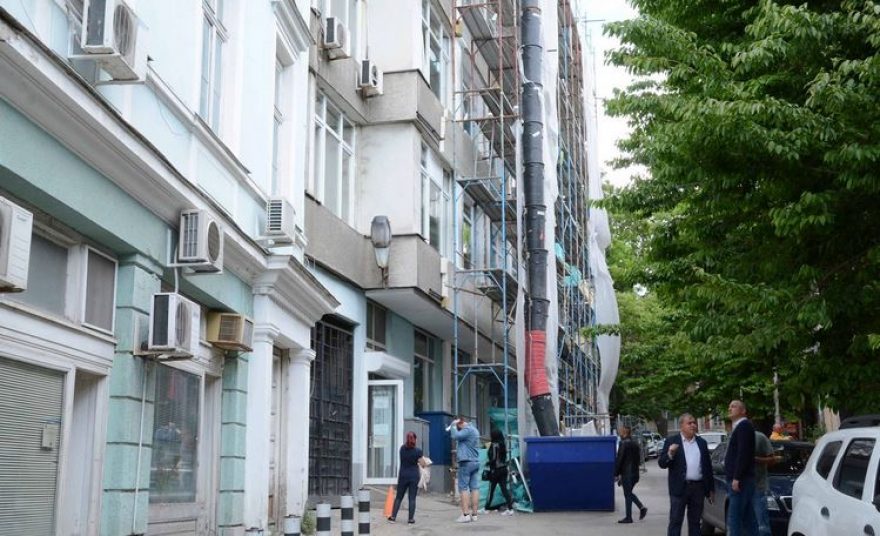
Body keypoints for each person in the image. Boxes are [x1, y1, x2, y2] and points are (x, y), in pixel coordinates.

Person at [658, 413, 714, 536]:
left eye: (694, 423)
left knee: (695, 523)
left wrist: (710, 488)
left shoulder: (701, 443)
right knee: (675, 521)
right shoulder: (672, 441)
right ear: (681, 426)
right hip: (679, 488)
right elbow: (662, 463)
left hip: (698, 488)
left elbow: (707, 467)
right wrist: (670, 454)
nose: (693, 425)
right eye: (689, 423)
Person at [724, 400, 759, 536]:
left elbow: (743, 453)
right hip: (741, 479)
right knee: (748, 518)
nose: (730, 408)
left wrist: (737, 477)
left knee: (734, 518)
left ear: (743, 411)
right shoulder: (739, 427)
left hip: (741, 480)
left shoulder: (744, 426)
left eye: (733, 406)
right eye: (729, 406)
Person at [449, 416, 481, 522]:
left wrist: (453, 425)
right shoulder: (474, 430)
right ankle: (475, 514)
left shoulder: (467, 430)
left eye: (458, 427)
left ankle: (465, 514)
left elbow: (455, 436)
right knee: (474, 488)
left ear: (460, 423)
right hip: (475, 461)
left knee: (463, 488)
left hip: (466, 462)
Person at [614, 425, 647, 524]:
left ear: (624, 432)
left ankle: (629, 517)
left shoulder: (623, 443)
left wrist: (616, 473)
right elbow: (639, 459)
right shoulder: (635, 444)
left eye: (621, 431)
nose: (619, 432)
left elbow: (620, 459)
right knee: (628, 493)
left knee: (628, 494)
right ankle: (641, 508)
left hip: (627, 473)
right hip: (635, 473)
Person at [388, 431, 422, 524]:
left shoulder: (402, 449)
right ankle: (410, 519)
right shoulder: (418, 451)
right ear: (415, 439)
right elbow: (422, 463)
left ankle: (393, 517)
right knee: (412, 498)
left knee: (399, 497)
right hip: (414, 476)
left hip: (403, 475)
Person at [485, 428, 515, 515]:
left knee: (491, 490)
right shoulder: (502, 444)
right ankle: (510, 509)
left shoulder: (494, 444)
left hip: (495, 470)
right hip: (503, 469)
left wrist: (488, 463)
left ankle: (486, 508)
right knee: (504, 489)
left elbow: (494, 458)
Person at [753, 430, 776, 536]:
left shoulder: (759, 437)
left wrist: (755, 459)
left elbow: (772, 459)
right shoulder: (734, 438)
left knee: (761, 525)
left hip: (758, 487)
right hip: (740, 489)